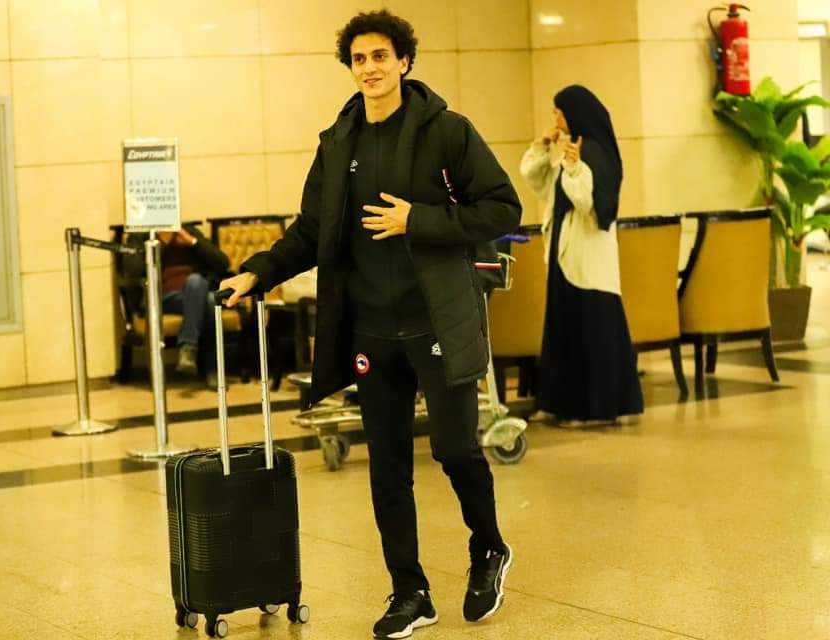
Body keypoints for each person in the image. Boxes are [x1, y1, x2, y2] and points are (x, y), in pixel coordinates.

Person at [220, 10, 521, 638]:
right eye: (359, 59)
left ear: (405, 61)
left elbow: (501, 207)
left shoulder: (447, 132)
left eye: (381, 56)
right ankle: (410, 591)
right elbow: (312, 229)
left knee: (455, 449)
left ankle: (489, 547)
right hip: (371, 330)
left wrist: (419, 221)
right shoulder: (339, 142)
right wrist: (257, 273)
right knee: (386, 467)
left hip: (436, 319)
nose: (370, 68)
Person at [519, 85, 643, 426]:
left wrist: (574, 168)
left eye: (559, 111)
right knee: (563, 329)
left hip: (588, 255)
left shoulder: (596, 152)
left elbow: (588, 202)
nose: (555, 118)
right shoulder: (572, 150)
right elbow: (538, 180)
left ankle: (596, 409)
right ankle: (557, 403)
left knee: (592, 332)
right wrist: (543, 146)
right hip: (565, 252)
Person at [158, 225, 229, 385]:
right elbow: (133, 269)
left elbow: (223, 263)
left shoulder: (188, 231)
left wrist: (192, 242)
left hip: (195, 293)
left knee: (204, 292)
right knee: (207, 299)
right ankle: (212, 369)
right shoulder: (144, 236)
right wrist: (161, 245)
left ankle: (188, 349)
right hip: (165, 298)